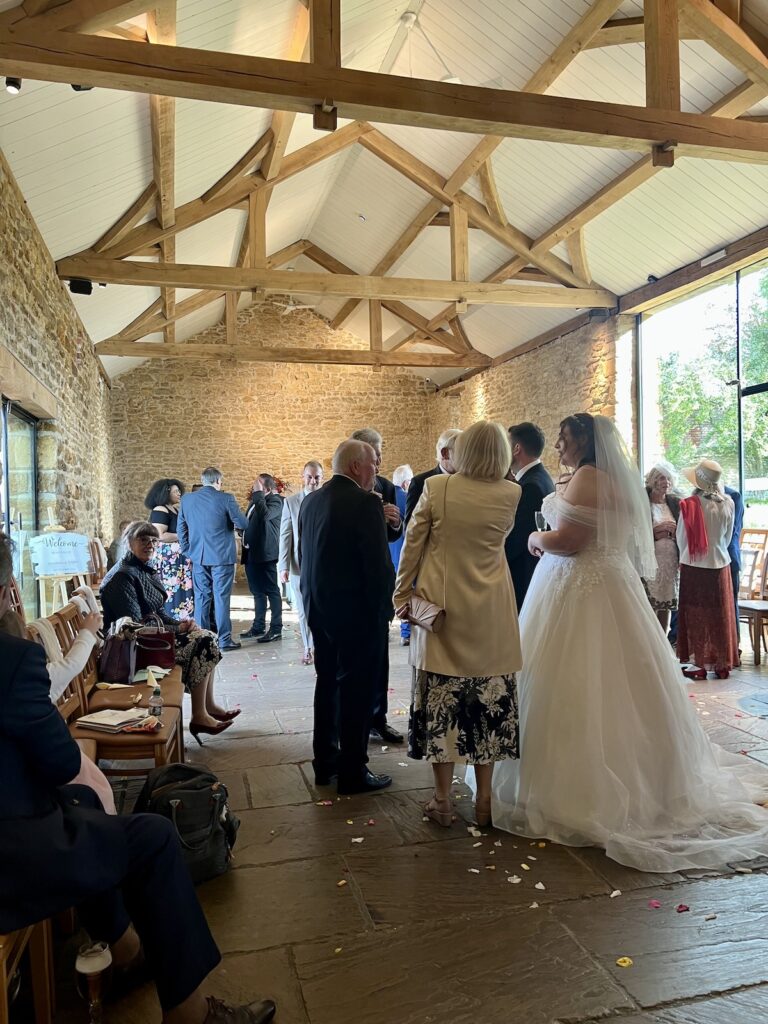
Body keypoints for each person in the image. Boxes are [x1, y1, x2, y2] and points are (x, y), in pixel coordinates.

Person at [0, 535, 276, 1024]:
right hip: (12, 858)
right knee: (150, 836)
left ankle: (128, 952)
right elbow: (61, 761)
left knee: (86, 822)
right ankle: (192, 1014)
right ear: (9, 594)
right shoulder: (11, 661)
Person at [488, 413, 768, 872]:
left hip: (579, 585)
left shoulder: (588, 478)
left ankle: (577, 791)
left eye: (564, 439)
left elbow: (572, 540)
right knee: (626, 678)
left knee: (578, 677)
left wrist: (536, 537)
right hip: (609, 581)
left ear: (583, 440)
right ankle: (655, 777)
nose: (559, 446)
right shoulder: (610, 480)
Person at [394, 421, 522, 828]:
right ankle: (484, 802)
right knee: (487, 711)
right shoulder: (512, 493)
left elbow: (412, 546)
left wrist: (400, 596)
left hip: (444, 615)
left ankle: (443, 801)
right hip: (493, 615)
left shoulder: (439, 488)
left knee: (442, 711)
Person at [299, 439, 394, 795]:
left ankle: (325, 763)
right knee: (357, 692)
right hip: (357, 614)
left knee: (327, 686)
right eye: (372, 463)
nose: (376, 470)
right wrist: (385, 610)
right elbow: (378, 567)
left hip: (320, 611)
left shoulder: (311, 501)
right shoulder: (365, 502)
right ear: (356, 466)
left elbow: (305, 556)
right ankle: (353, 772)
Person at [100, 522, 239, 744]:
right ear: (128, 542)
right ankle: (200, 716)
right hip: (134, 650)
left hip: (150, 638)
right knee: (203, 642)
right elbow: (135, 626)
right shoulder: (123, 577)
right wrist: (175, 629)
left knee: (206, 636)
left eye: (154, 540)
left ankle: (208, 706)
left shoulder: (141, 568)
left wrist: (180, 624)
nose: (150, 545)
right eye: (143, 540)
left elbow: (157, 611)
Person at [349, 427, 403, 745]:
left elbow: (393, 534)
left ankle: (377, 718)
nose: (381, 458)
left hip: (379, 581)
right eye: (375, 452)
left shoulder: (385, 486)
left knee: (380, 656)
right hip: (353, 583)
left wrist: (394, 522)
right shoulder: (342, 490)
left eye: (381, 451)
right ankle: (352, 721)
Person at [676, 459, 739, 680]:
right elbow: (728, 537)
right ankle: (722, 663)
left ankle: (698, 664)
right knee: (720, 614)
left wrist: (686, 555)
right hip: (721, 562)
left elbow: (682, 539)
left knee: (695, 613)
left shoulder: (690, 504)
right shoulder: (729, 503)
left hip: (695, 564)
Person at [177, 468, 248, 652]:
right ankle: (224, 640)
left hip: (198, 556)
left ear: (202, 481)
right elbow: (243, 523)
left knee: (201, 597)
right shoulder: (226, 498)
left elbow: (181, 528)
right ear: (218, 481)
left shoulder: (187, 499)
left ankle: (203, 641)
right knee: (221, 597)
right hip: (222, 556)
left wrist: (187, 550)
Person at [504, 422, 555, 610]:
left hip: (523, 575)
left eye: (506, 445)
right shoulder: (541, 477)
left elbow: (518, 538)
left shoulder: (531, 486)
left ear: (517, 448)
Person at [278, 461, 323, 665]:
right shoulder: (291, 502)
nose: (313, 481)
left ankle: (322, 646)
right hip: (300, 565)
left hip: (324, 565)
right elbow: (285, 536)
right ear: (302, 477)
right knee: (304, 610)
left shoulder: (327, 500)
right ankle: (308, 647)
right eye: (310, 477)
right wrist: (283, 566)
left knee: (323, 608)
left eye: (317, 477)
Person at [241, 474, 283, 644]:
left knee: (272, 591)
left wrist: (258, 495)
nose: (253, 489)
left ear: (265, 488)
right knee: (257, 592)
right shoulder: (254, 502)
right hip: (251, 553)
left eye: (256, 486)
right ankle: (258, 627)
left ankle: (276, 628)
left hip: (266, 555)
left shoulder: (276, 501)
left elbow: (265, 515)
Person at [145, 479, 195, 622]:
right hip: (169, 561)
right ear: (165, 493)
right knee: (172, 593)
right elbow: (159, 535)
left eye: (179, 491)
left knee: (181, 591)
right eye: (175, 491)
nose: (179, 494)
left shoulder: (175, 509)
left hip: (179, 560)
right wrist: (184, 536)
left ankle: (184, 622)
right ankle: (173, 623)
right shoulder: (160, 509)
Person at [642, 463, 681, 634]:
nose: (666, 482)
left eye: (668, 478)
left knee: (665, 602)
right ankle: (650, 641)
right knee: (649, 601)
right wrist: (654, 532)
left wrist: (674, 532)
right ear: (653, 480)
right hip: (650, 558)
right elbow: (635, 531)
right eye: (661, 478)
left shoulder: (674, 503)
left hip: (670, 558)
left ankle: (663, 642)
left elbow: (684, 530)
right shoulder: (644, 502)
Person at [404, 428, 462, 526]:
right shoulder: (420, 483)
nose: (467, 457)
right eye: (461, 451)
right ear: (445, 453)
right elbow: (410, 528)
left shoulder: (469, 481)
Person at [390, 465, 413, 647]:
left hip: (387, 554)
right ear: (406, 483)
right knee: (405, 592)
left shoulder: (386, 498)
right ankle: (406, 632)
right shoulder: (407, 498)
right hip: (404, 554)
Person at [725, 482, 744, 649]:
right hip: (710, 559)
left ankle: (733, 646)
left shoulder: (733, 496)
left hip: (728, 556)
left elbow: (734, 531)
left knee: (731, 602)